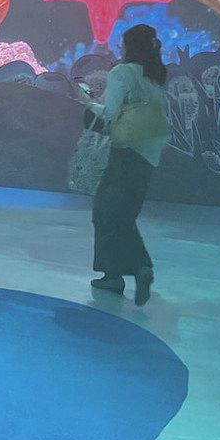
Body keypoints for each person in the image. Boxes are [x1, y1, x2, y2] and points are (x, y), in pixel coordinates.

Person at [75, 24, 170, 306]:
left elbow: (110, 113)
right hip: (149, 152)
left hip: (126, 151)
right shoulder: (154, 75)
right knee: (124, 213)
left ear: (130, 47)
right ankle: (125, 271)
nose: (120, 48)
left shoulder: (122, 73)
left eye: (123, 44)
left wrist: (88, 101)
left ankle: (126, 271)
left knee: (104, 211)